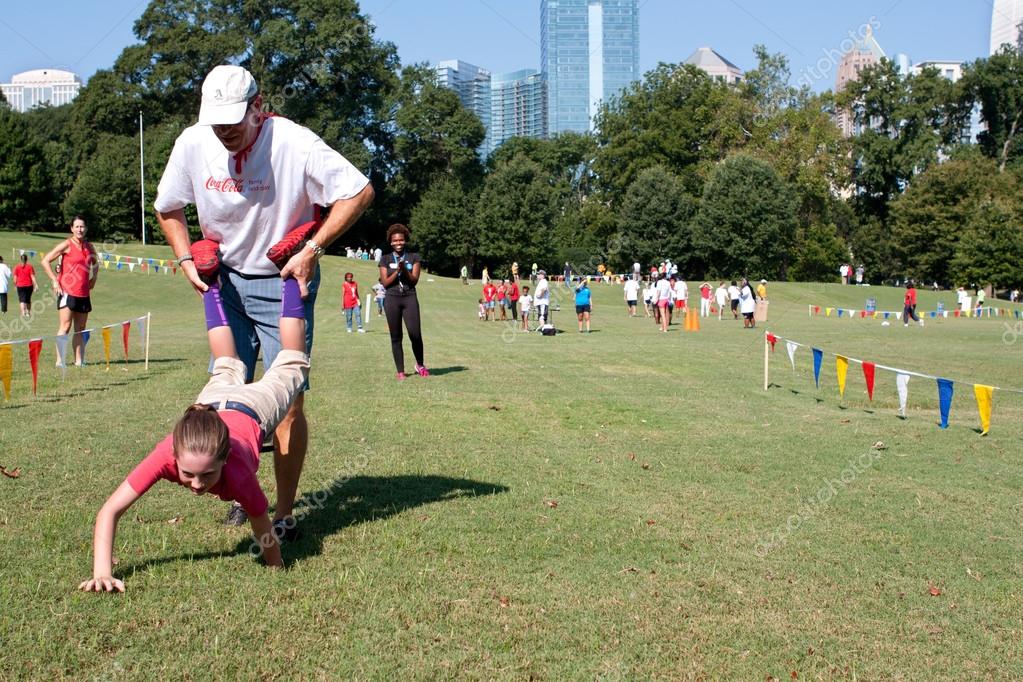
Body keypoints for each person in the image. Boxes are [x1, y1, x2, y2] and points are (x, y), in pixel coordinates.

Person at [154, 64, 374, 534]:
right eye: (216, 122)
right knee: (228, 397)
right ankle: (243, 492)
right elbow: (167, 206)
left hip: (283, 280)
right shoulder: (193, 143)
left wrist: (313, 249)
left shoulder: (294, 143)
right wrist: (184, 257)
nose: (224, 131)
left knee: (288, 400)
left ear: (257, 107)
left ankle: (285, 512)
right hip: (225, 280)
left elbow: (359, 191)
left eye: (233, 120)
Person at [80, 264, 312, 592]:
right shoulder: (166, 454)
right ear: (174, 454)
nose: (197, 484)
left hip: (253, 406)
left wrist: (276, 569)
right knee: (226, 363)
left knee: (290, 362)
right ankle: (211, 282)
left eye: (207, 474)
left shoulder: (238, 473)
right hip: (212, 402)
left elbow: (263, 527)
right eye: (189, 473)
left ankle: (288, 276)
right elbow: (110, 510)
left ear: (225, 458)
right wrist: (102, 572)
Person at [41, 216, 99, 367]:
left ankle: (79, 361)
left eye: (82, 226)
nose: (80, 229)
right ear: (72, 229)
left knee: (80, 329)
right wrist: (54, 280)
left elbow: (95, 262)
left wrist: (94, 277)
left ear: (86, 229)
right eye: (77, 227)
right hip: (67, 292)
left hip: (84, 293)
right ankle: (60, 361)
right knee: (65, 326)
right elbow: (45, 261)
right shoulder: (66, 245)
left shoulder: (89, 247)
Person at [378, 224, 428, 380]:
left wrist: (404, 270)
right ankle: (400, 371)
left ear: (405, 240)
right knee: (396, 336)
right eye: (395, 240)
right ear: (390, 242)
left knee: (415, 334)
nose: (398, 243)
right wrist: (397, 271)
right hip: (392, 298)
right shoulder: (385, 259)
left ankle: (420, 365)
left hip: (409, 297)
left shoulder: (414, 257)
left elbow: (414, 280)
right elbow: (385, 283)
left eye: (401, 240)